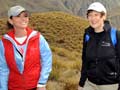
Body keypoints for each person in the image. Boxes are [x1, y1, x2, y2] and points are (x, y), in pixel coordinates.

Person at [0, 5, 52, 90]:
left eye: (25, 16)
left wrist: (42, 83)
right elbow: (3, 69)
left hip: (35, 86)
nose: (23, 19)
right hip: (13, 87)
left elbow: (47, 60)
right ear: (10, 20)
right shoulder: (4, 43)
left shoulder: (37, 38)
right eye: (18, 16)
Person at [78, 2, 120, 90]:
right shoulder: (87, 35)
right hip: (90, 84)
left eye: (96, 15)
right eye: (90, 15)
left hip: (111, 85)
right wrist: (81, 83)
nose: (93, 18)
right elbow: (85, 61)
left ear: (103, 16)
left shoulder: (115, 35)